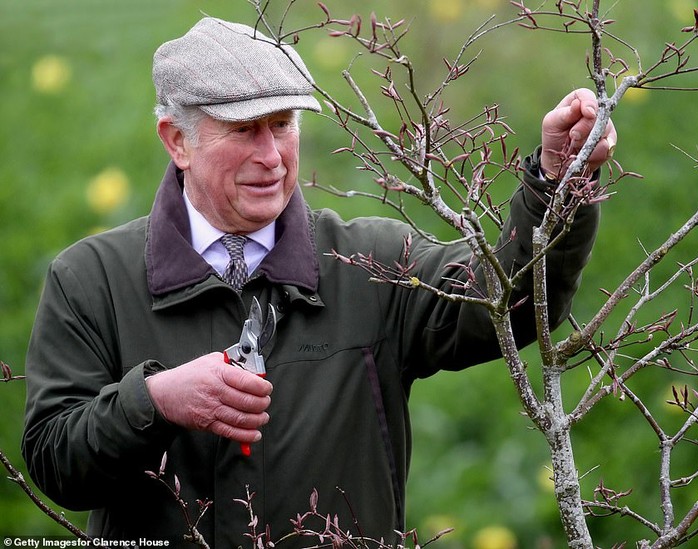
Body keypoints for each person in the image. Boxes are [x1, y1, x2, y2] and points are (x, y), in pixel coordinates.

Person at [22, 16, 615, 548]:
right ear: (177, 140)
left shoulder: (371, 263)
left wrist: (560, 185)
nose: (272, 157)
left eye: (282, 125)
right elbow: (53, 460)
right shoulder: (90, 279)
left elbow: (506, 300)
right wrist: (154, 402)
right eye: (245, 130)